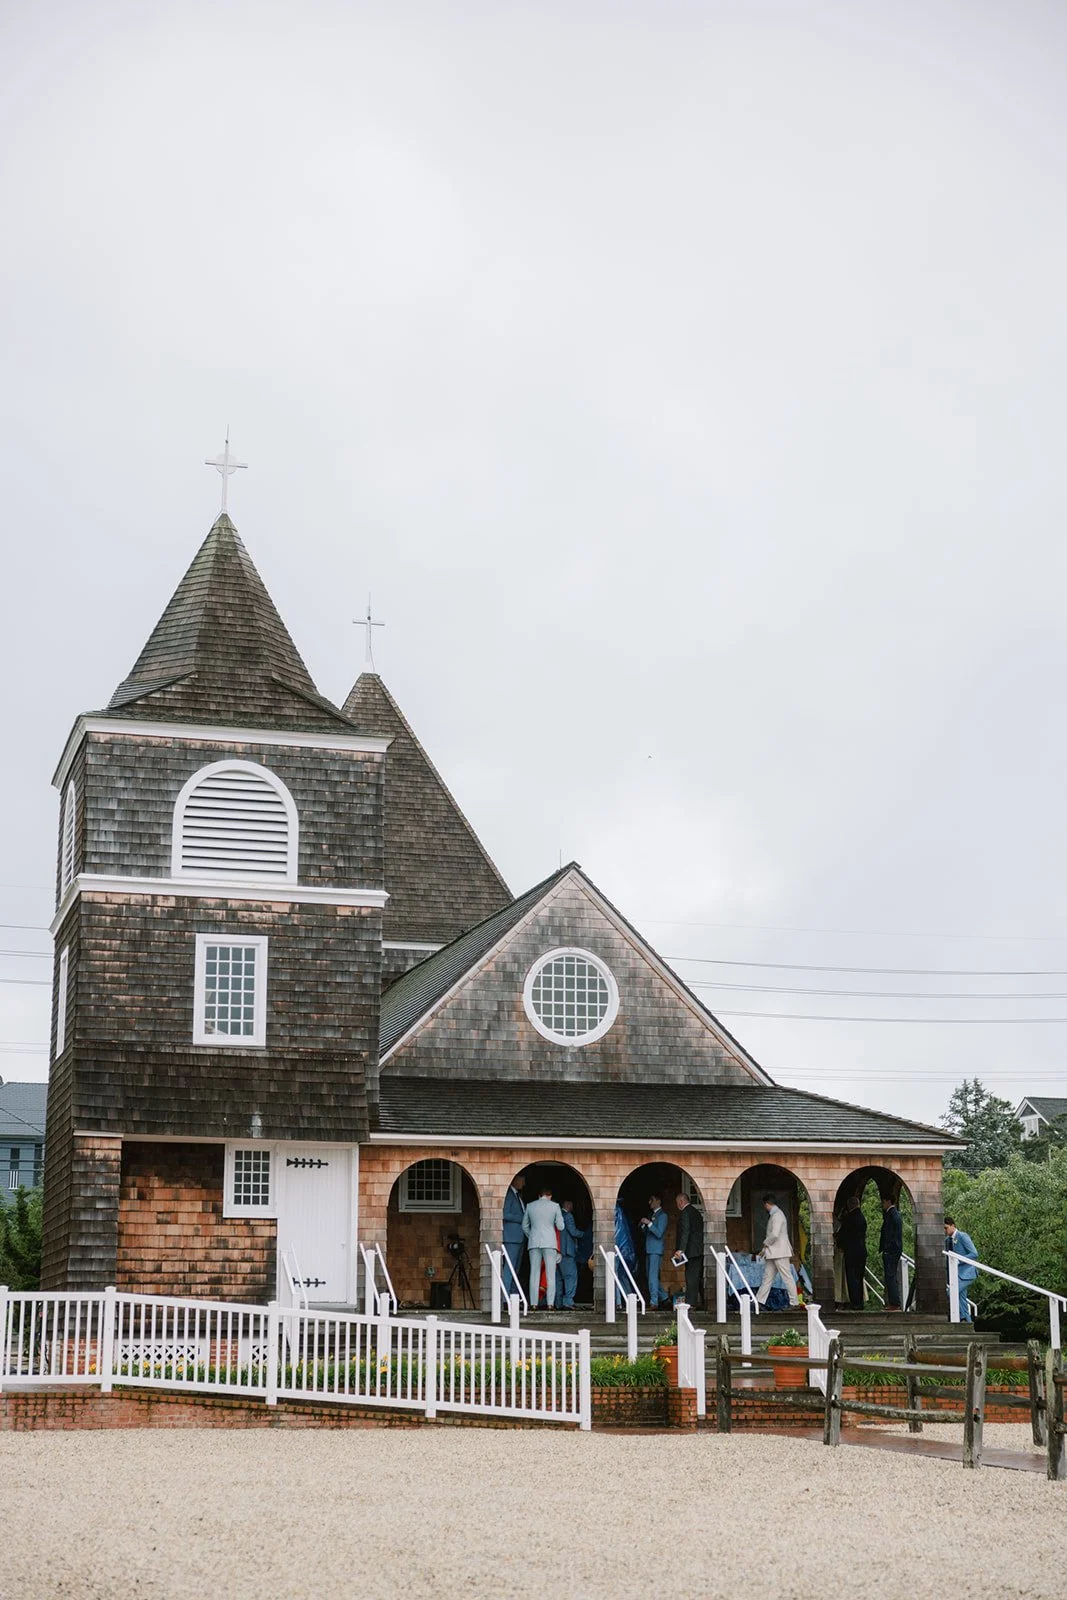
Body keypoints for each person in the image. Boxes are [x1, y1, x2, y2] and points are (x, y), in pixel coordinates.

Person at [523, 1186, 565, 1310]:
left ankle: (534, 1304)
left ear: (539, 1195)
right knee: (550, 1274)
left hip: (534, 1242)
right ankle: (550, 1303)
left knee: (534, 1273)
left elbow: (524, 1226)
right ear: (550, 1196)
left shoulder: (530, 1206)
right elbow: (561, 1226)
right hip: (550, 1242)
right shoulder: (555, 1206)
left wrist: (532, 1235)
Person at [755, 1195, 799, 1308]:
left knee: (786, 1277)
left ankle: (794, 1303)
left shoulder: (777, 1215)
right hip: (774, 1252)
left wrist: (765, 1244)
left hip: (780, 1251)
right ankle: (759, 1301)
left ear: (767, 1204)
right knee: (767, 1277)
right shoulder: (775, 1215)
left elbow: (774, 1234)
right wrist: (765, 1249)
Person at [944, 1216, 979, 1322]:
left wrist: (958, 1260)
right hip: (955, 1275)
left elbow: (974, 1253)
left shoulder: (963, 1236)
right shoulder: (947, 1241)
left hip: (967, 1273)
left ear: (953, 1226)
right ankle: (968, 1322)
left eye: (946, 1228)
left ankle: (962, 1317)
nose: (944, 1231)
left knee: (951, 1293)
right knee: (961, 1299)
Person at [672, 1192, 704, 1308]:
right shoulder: (696, 1212)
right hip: (698, 1249)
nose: (677, 1205)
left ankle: (691, 1303)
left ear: (681, 1201)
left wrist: (681, 1249)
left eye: (677, 1203)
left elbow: (685, 1232)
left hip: (691, 1250)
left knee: (691, 1277)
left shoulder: (686, 1213)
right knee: (697, 1276)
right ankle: (701, 1301)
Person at [640, 1194, 672, 1309]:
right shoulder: (652, 1215)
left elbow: (659, 1233)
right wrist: (644, 1226)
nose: (650, 1202)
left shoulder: (663, 1215)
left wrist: (649, 1223)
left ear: (658, 1201)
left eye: (652, 1200)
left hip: (656, 1250)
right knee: (650, 1277)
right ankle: (664, 1297)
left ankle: (654, 1302)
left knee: (652, 1277)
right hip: (649, 1248)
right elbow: (647, 1233)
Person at [837, 1194, 867, 1310]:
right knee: (859, 1277)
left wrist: (840, 1244)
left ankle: (854, 1303)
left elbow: (844, 1234)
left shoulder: (849, 1218)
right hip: (861, 1251)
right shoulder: (862, 1217)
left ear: (850, 1205)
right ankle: (860, 1302)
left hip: (851, 1252)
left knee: (852, 1278)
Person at [501, 1173, 526, 1303]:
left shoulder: (517, 1195)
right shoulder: (509, 1195)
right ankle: (505, 1298)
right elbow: (505, 1214)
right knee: (509, 1268)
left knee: (515, 1269)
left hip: (519, 1237)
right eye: (523, 1180)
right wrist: (522, 1218)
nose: (524, 1183)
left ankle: (513, 1296)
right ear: (516, 1179)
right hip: (511, 1237)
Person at [879, 1193, 903, 1312]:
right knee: (891, 1276)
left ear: (888, 1201)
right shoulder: (896, 1214)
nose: (882, 1204)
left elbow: (889, 1234)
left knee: (890, 1276)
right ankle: (894, 1302)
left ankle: (894, 1303)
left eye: (883, 1201)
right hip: (895, 1250)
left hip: (891, 1251)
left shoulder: (890, 1215)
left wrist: (886, 1249)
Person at [556, 1199, 581, 1309]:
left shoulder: (556, 1214)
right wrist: (586, 1234)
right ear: (569, 1204)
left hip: (555, 1250)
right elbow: (573, 1231)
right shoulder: (568, 1216)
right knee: (570, 1276)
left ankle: (557, 1302)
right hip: (566, 1251)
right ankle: (568, 1301)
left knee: (558, 1278)